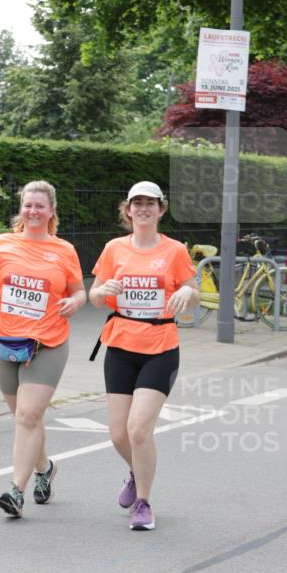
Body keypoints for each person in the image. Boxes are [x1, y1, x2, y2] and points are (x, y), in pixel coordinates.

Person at [0, 181, 86, 518]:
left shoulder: (63, 250)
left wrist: (74, 302)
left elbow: (79, 291)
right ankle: (44, 468)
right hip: (3, 340)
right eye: (27, 205)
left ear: (51, 211)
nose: (33, 211)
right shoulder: (2, 244)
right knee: (24, 417)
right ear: (21, 210)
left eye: (39, 206)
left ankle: (15, 490)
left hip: (47, 343)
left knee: (28, 416)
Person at [89, 181, 199, 531]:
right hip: (120, 346)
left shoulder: (175, 251)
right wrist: (102, 290)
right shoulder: (114, 249)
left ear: (161, 209)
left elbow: (193, 291)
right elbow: (94, 294)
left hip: (160, 347)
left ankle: (143, 503)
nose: (143, 209)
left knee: (138, 430)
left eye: (150, 203)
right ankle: (137, 470)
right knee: (118, 435)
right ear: (128, 210)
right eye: (137, 203)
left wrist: (185, 290)